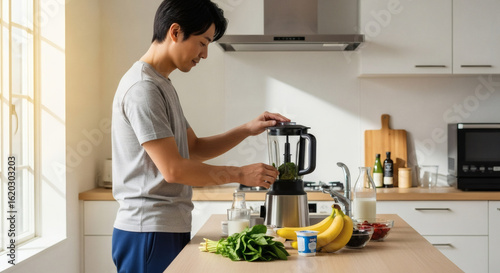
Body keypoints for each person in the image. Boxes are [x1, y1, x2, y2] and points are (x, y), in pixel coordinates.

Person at [110, 1, 289, 272]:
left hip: (164, 228)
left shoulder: (161, 84)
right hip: (148, 231)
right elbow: (173, 169)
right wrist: (240, 175)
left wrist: (247, 129)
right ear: (175, 32)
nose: (204, 54)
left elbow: (192, 148)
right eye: (203, 42)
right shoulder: (143, 88)